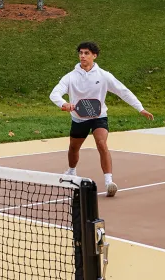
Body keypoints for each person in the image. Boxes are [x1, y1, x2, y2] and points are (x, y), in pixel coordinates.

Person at [50, 41, 154, 197]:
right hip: (79, 119)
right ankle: (71, 170)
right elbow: (54, 93)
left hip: (99, 116)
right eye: (81, 53)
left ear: (94, 56)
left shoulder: (104, 76)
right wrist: (63, 103)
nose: (82, 56)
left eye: (86, 53)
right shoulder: (70, 77)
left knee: (101, 143)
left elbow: (122, 91)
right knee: (73, 148)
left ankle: (109, 182)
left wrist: (140, 108)